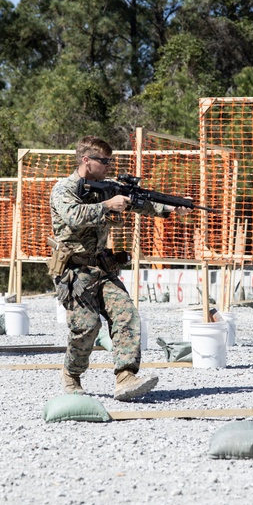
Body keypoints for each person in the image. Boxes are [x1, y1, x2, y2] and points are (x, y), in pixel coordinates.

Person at [51, 136, 192, 401]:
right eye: (104, 161)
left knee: (127, 315)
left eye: (109, 161)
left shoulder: (107, 187)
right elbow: (73, 217)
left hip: (103, 269)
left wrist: (172, 208)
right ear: (86, 160)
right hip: (74, 271)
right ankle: (71, 374)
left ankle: (125, 377)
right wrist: (107, 205)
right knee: (87, 327)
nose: (108, 166)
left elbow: (142, 203)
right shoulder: (64, 188)